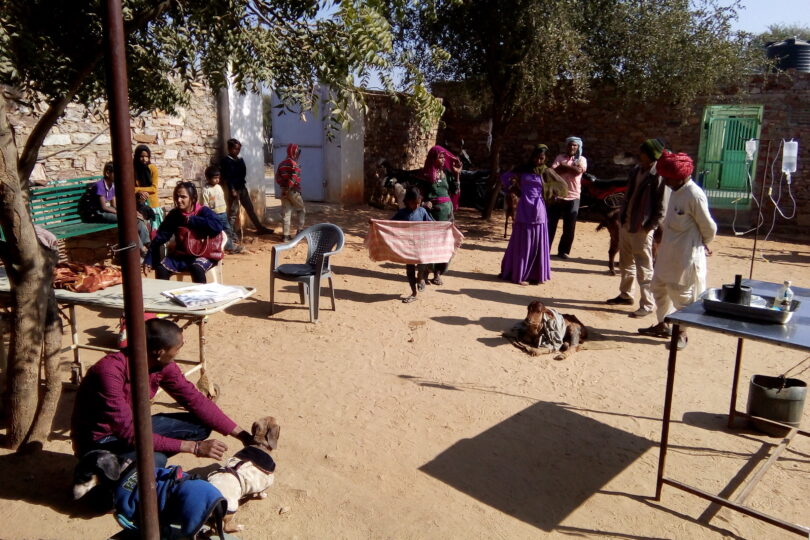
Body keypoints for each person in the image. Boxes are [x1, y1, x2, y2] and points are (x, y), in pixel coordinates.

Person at [71, 318, 254, 470]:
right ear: (159, 352)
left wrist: (243, 435)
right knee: (156, 460)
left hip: (131, 430)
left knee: (201, 425)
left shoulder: (161, 365)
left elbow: (194, 399)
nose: (179, 351)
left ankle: (138, 458)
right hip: (101, 442)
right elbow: (129, 434)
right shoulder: (109, 373)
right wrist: (194, 447)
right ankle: (123, 468)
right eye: (177, 348)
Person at [638, 151, 717, 351]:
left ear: (681, 176)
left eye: (668, 178)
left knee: (683, 297)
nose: (664, 181)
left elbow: (709, 228)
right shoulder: (675, 191)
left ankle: (682, 333)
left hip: (685, 256)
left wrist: (701, 243)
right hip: (667, 253)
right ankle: (664, 324)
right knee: (659, 288)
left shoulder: (694, 195)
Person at [606, 138, 668, 317]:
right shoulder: (636, 171)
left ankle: (647, 304)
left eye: (642, 152)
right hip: (627, 223)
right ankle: (626, 294)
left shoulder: (658, 176)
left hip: (642, 227)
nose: (639, 155)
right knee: (626, 262)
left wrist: (650, 227)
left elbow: (661, 207)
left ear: (651, 156)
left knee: (644, 266)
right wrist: (622, 218)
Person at [144, 181, 224, 284]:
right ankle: (163, 298)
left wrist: (192, 220)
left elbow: (218, 226)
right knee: (161, 268)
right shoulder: (175, 215)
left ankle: (200, 298)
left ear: (193, 198)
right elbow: (161, 236)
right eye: (177, 196)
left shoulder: (203, 211)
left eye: (183, 197)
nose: (179, 200)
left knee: (196, 268)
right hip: (182, 256)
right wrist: (149, 257)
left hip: (204, 255)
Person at [499, 144, 556, 285]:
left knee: (537, 241)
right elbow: (505, 177)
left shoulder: (546, 172)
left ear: (545, 159)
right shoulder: (522, 169)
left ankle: (535, 274)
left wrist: (550, 195)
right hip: (524, 207)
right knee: (523, 241)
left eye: (541, 158)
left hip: (539, 209)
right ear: (532, 157)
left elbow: (558, 187)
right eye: (536, 158)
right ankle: (519, 274)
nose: (538, 161)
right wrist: (513, 189)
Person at [418, 145, 461, 285]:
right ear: (433, 158)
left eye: (444, 157)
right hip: (432, 215)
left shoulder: (447, 173)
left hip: (447, 214)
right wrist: (424, 204)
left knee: (445, 244)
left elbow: (455, 191)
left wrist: (457, 174)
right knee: (430, 244)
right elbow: (418, 196)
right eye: (440, 157)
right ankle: (424, 273)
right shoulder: (425, 176)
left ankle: (438, 273)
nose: (443, 159)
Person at [89, 162, 150, 255]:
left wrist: (131, 212)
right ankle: (141, 249)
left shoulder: (112, 185)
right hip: (99, 214)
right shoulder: (100, 185)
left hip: (109, 211)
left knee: (137, 219)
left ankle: (147, 243)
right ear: (108, 173)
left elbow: (114, 205)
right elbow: (103, 207)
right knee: (127, 220)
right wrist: (122, 214)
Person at [220, 138, 273, 238]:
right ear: (230, 149)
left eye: (239, 149)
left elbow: (243, 173)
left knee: (250, 208)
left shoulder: (239, 160)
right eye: (235, 149)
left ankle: (259, 228)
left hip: (242, 188)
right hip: (234, 189)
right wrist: (232, 189)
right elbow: (227, 177)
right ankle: (230, 234)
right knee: (233, 212)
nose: (237, 151)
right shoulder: (226, 161)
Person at [390, 187, 434, 303]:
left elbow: (432, 224)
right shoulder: (401, 213)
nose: (416, 206)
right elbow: (389, 224)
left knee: (422, 264)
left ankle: (420, 278)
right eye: (414, 203)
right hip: (407, 246)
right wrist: (375, 223)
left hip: (421, 245)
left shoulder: (422, 212)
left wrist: (446, 225)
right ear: (408, 201)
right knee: (410, 268)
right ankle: (413, 292)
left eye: (418, 203)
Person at [549, 136, 587, 259]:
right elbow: (552, 172)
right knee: (551, 224)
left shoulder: (582, 159)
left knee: (569, 227)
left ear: (578, 147)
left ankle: (563, 251)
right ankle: (545, 248)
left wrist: (563, 167)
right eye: (570, 145)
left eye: (575, 145)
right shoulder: (559, 157)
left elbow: (577, 171)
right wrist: (570, 167)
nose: (572, 147)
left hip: (573, 196)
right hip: (557, 195)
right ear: (566, 146)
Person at [202, 165, 240, 253]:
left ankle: (229, 246)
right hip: (213, 215)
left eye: (218, 178)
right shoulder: (206, 190)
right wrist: (208, 215)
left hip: (223, 213)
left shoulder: (219, 187)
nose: (217, 180)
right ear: (208, 178)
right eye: (215, 178)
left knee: (227, 230)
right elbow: (205, 204)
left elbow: (222, 198)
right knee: (215, 232)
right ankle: (215, 248)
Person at [276, 143, 306, 242]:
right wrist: (288, 189)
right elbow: (293, 179)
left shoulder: (281, 164)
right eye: (298, 152)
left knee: (286, 213)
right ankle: (300, 231)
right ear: (295, 152)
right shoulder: (295, 164)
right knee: (301, 210)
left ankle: (286, 236)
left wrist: (284, 189)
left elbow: (277, 178)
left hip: (284, 191)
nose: (298, 154)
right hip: (293, 191)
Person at [133, 144, 162, 228]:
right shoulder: (134, 170)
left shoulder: (152, 168)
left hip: (152, 204)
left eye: (146, 156)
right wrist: (140, 191)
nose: (144, 159)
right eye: (141, 156)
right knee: (144, 229)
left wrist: (137, 189)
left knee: (154, 230)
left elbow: (153, 188)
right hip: (140, 204)